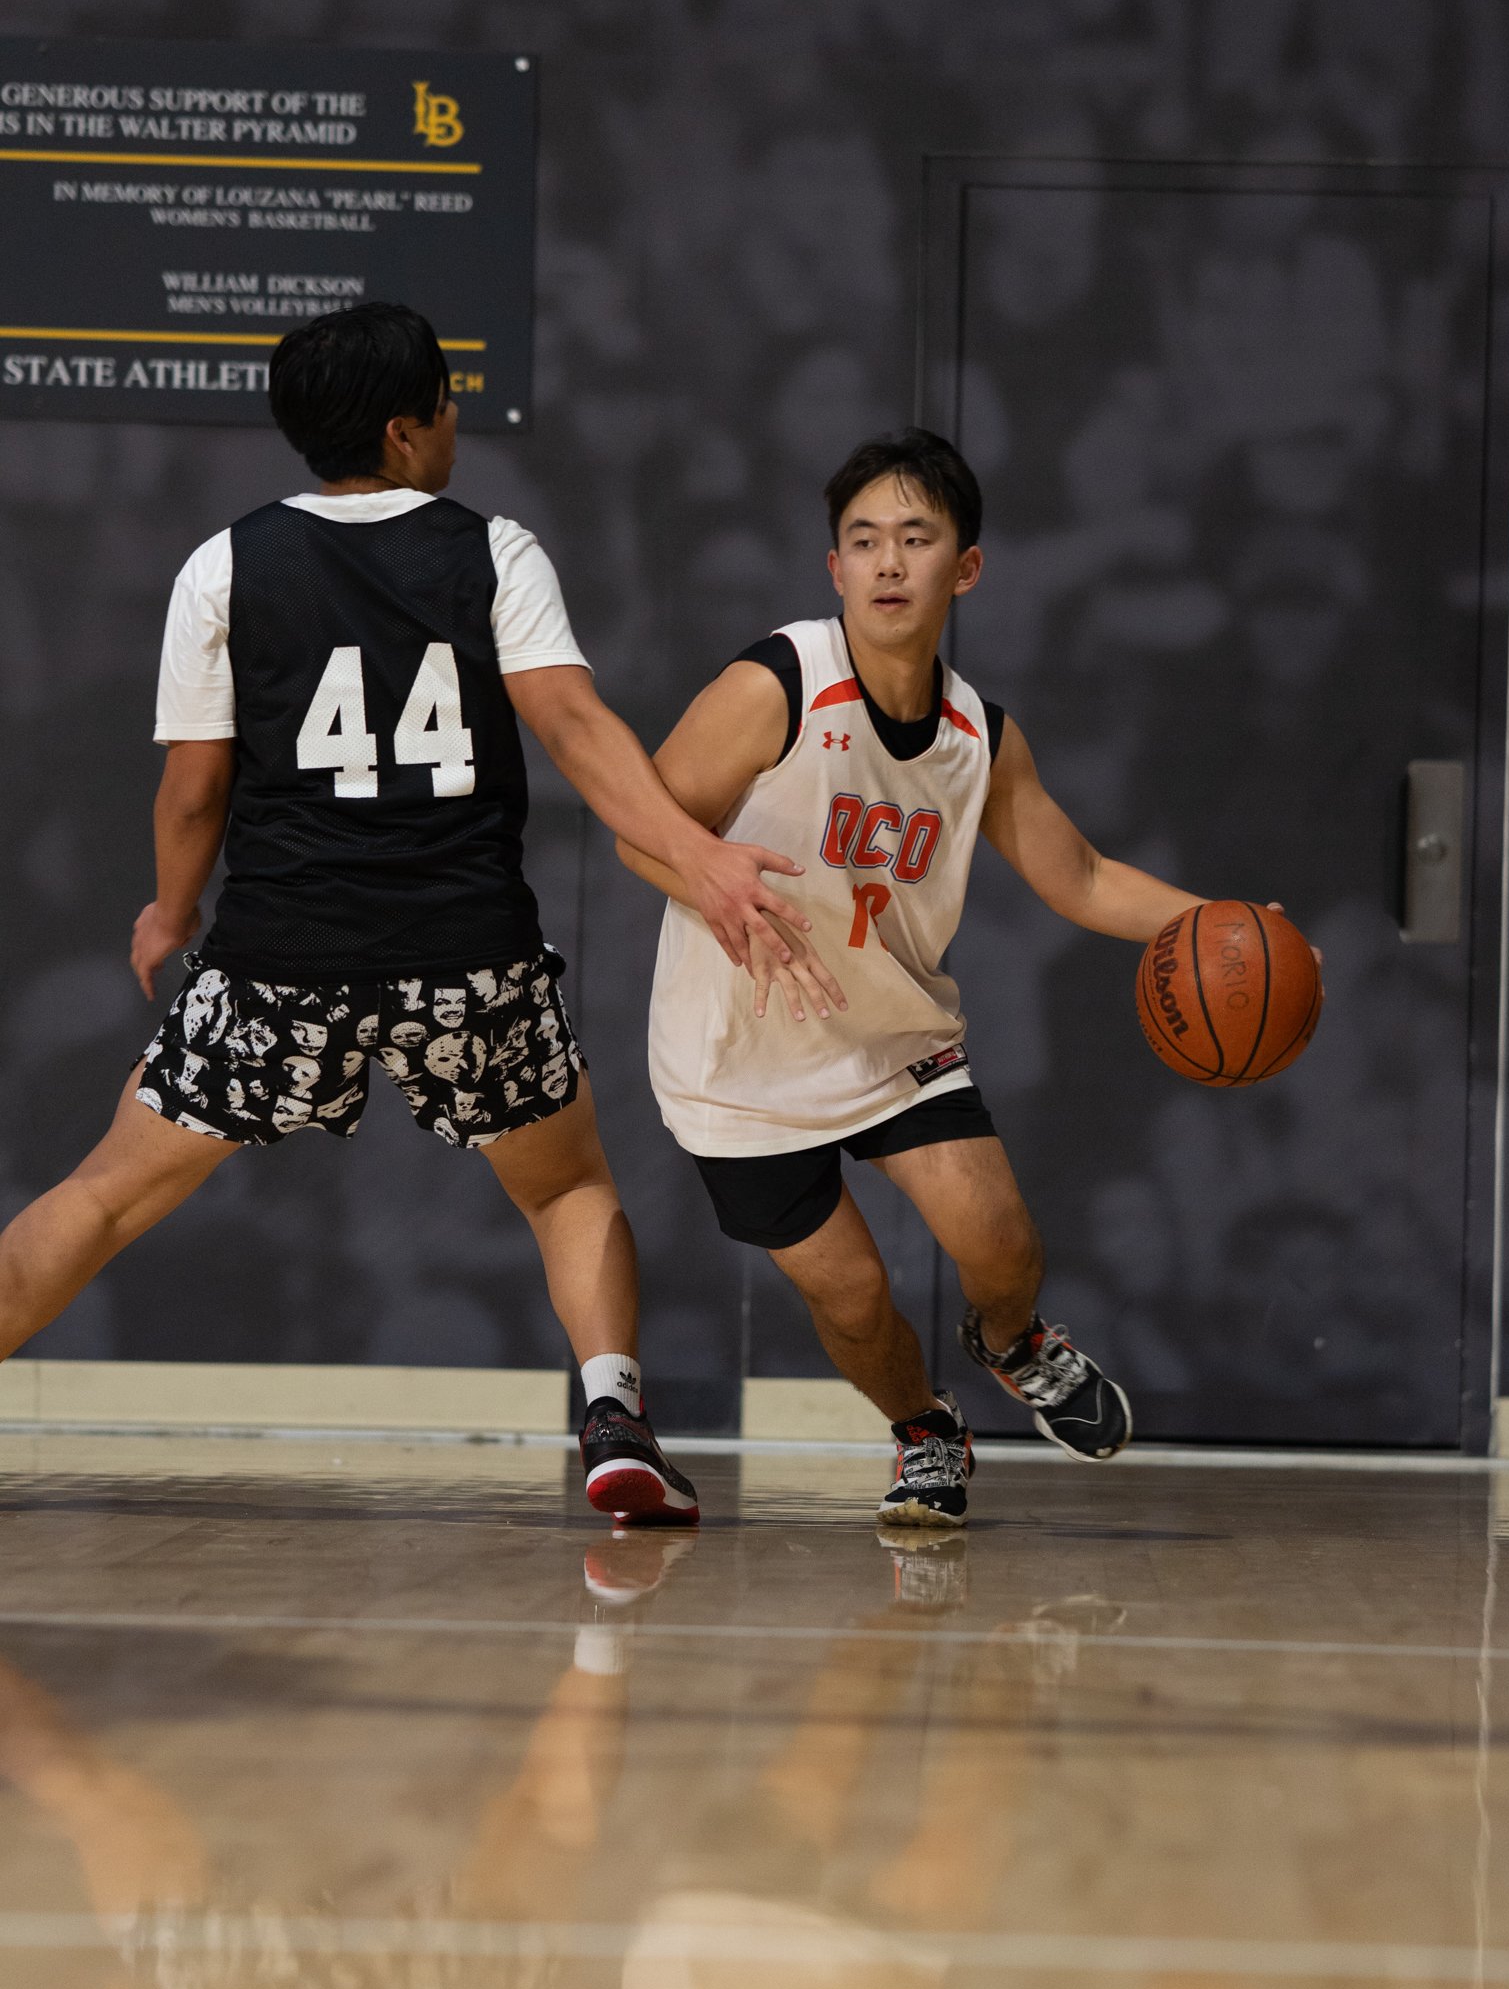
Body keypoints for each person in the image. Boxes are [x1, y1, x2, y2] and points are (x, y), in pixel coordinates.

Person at [0, 302, 819, 1528]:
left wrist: (170, 912)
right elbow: (578, 730)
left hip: (281, 961)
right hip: (464, 956)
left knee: (104, 1194)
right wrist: (699, 856)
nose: (453, 424)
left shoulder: (225, 564)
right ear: (401, 429)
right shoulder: (496, 552)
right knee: (566, 1188)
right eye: (444, 404)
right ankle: (615, 1421)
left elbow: (193, 791)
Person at [618, 428, 1216, 1527]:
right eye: (864, 540)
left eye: (915, 537)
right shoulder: (777, 683)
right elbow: (637, 824)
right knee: (853, 1298)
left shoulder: (980, 737)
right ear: (833, 566)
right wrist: (712, 878)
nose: (888, 562)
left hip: (890, 1035)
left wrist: (1220, 923)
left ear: (966, 567)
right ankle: (926, 1432)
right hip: (735, 1059)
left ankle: (1013, 1341)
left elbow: (1082, 877)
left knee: (1002, 1242)